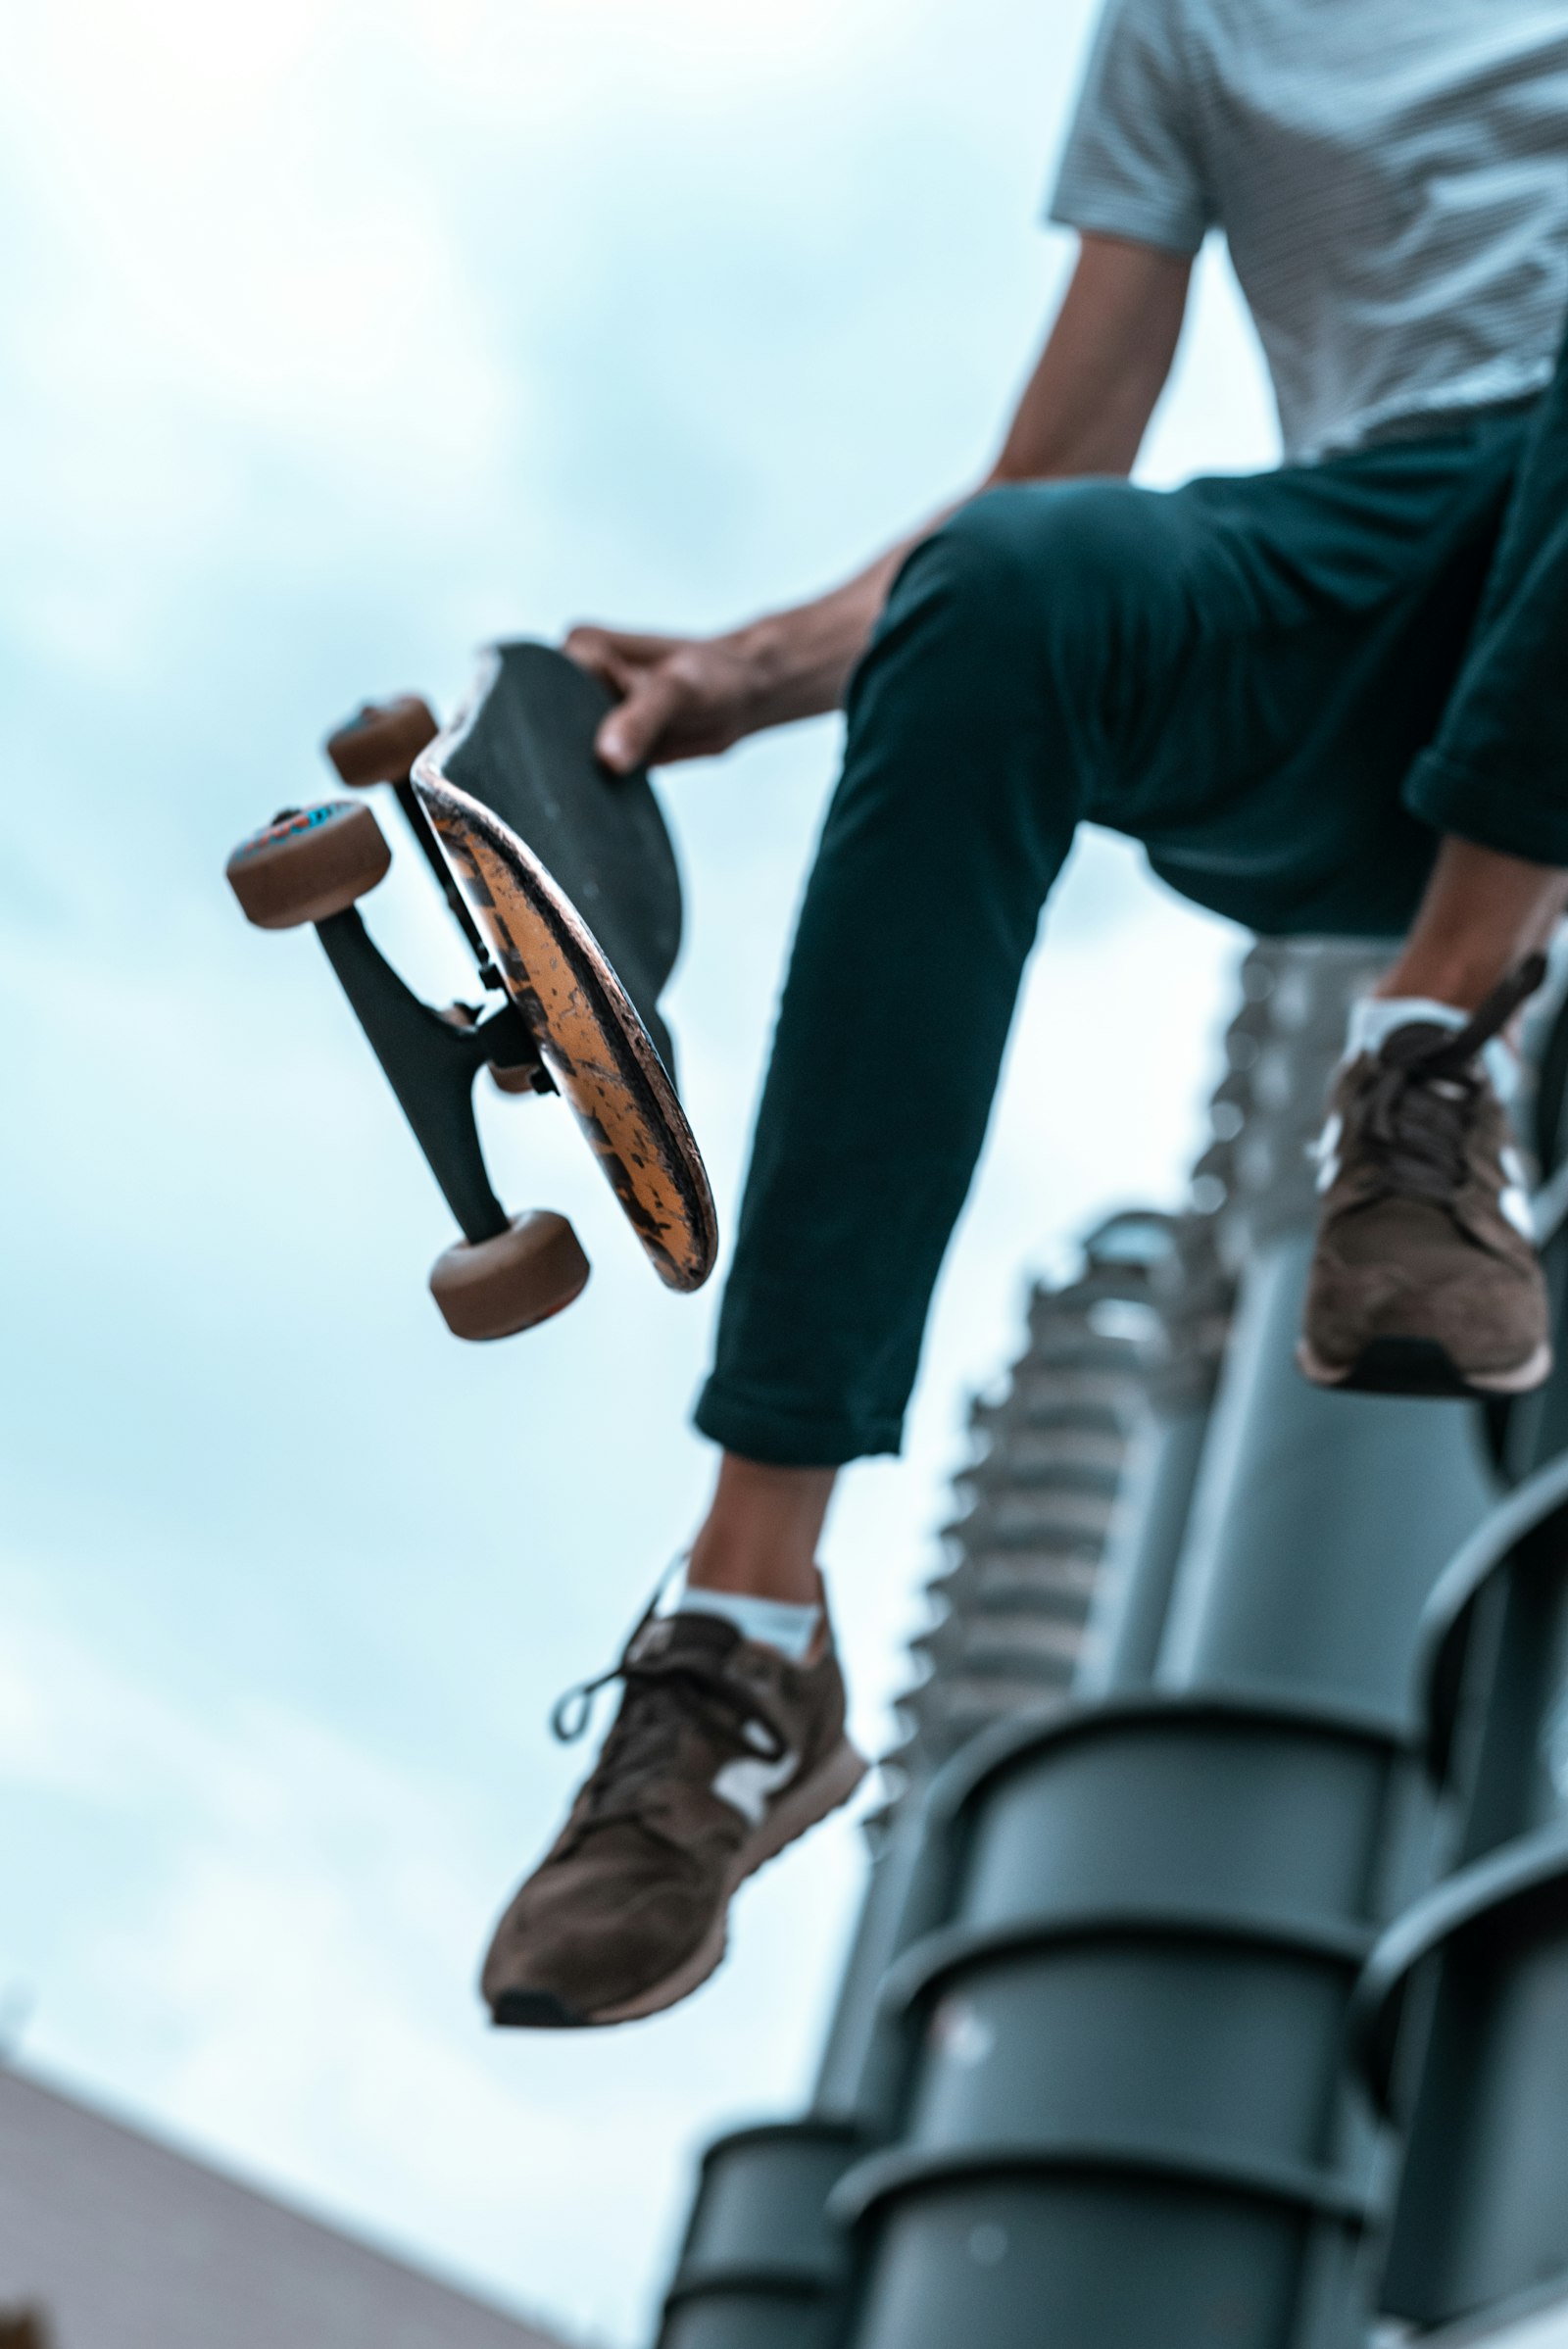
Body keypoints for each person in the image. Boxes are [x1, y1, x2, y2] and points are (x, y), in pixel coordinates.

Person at [478, 0, 1568, 2030]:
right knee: (1001, 576)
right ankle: (741, 1630)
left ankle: (1429, 1055)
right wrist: (753, 667)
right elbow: (1063, 454)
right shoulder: (1188, 24)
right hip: (1356, 620)